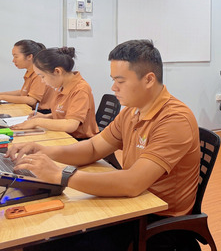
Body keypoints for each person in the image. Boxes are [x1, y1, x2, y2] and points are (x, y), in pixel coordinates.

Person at [6, 39, 201, 251]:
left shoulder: (174, 119)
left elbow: (132, 183)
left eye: (120, 81)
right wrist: (45, 151)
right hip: (131, 205)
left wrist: (60, 175)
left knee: (49, 243)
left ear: (148, 79)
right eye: (113, 80)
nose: (113, 87)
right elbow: (93, 148)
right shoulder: (132, 111)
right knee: (44, 235)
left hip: (155, 218)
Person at [11, 47, 98, 139]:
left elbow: (71, 125)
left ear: (57, 71)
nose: (42, 81)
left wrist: (37, 122)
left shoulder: (80, 89)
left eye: (43, 76)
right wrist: (45, 117)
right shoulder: (61, 86)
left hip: (79, 140)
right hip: (65, 135)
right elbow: (65, 113)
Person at [0, 39, 56, 112]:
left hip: (43, 113)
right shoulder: (30, 72)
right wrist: (1, 95)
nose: (13, 60)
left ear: (29, 56)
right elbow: (23, 92)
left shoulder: (39, 74)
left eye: (16, 57)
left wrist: (2, 97)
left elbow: (31, 100)